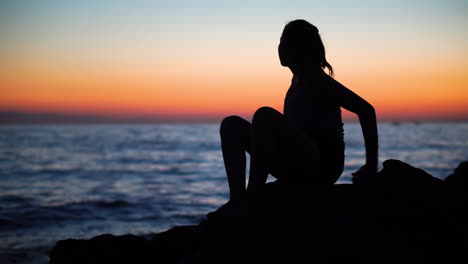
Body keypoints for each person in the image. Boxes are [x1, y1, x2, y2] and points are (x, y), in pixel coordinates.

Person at [210, 19, 378, 219]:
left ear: (299, 48)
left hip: (321, 164)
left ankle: (253, 197)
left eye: (284, 41)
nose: (279, 47)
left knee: (264, 115)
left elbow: (366, 110)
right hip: (297, 160)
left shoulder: (317, 79)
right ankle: (238, 198)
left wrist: (370, 166)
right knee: (231, 125)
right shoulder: (296, 81)